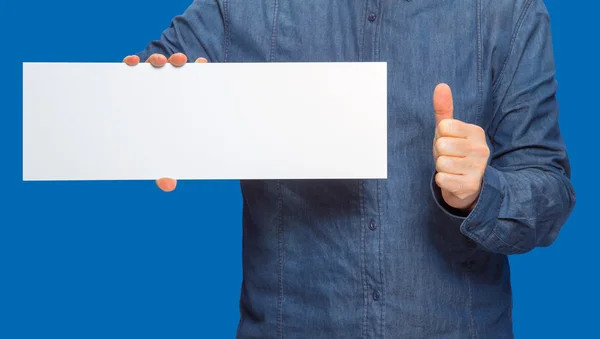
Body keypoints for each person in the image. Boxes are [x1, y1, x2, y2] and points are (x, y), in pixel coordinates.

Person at [123, 1, 575, 338]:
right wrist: (157, 108)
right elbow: (134, 104)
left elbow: (551, 192)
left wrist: (484, 192)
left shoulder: (506, 11)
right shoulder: (242, 6)